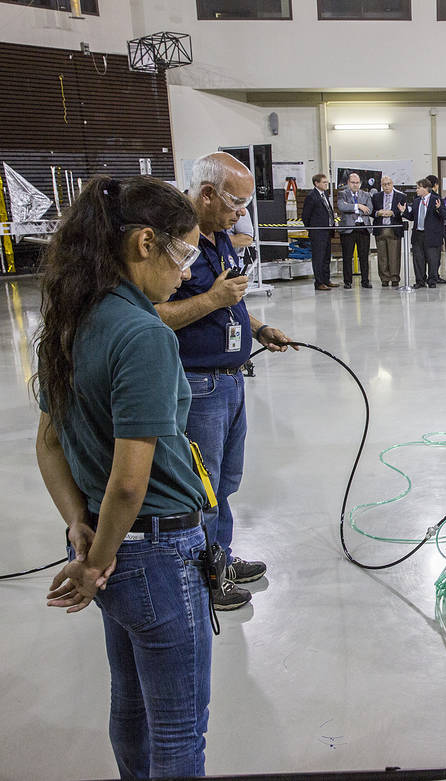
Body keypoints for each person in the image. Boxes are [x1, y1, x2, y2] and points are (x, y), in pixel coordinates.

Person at [35, 175, 212, 776]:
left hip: (107, 544)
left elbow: (48, 444)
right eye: (183, 254)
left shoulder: (69, 318)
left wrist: (79, 527)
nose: (186, 273)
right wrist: (95, 562)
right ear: (144, 243)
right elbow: (130, 481)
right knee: (180, 730)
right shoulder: (143, 334)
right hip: (153, 552)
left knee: (131, 710)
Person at [155, 151, 296, 611]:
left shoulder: (218, 238)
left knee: (225, 482)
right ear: (208, 193)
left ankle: (221, 556)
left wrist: (257, 328)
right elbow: (151, 315)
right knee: (203, 486)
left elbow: (228, 299)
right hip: (198, 386)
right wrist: (215, 299)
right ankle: (203, 575)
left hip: (230, 381)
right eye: (236, 203)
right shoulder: (173, 243)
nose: (241, 214)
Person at [402, 178, 446, 288]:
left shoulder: (436, 199)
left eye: (418, 188)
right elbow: (412, 217)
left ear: (426, 188)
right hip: (418, 235)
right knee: (418, 259)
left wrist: (439, 208)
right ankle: (420, 281)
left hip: (432, 235)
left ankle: (432, 280)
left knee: (432, 259)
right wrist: (404, 212)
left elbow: (444, 215)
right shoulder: (417, 201)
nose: (416, 190)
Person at [337, 172, 374, 289]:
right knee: (347, 257)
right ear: (348, 183)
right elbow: (342, 207)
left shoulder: (366, 195)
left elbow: (369, 210)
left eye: (357, 183)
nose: (355, 185)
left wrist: (352, 207)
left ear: (360, 183)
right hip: (348, 229)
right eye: (353, 182)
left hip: (363, 228)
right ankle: (347, 281)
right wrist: (358, 206)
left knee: (364, 257)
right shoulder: (342, 194)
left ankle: (365, 281)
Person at [301, 172, 337, 290]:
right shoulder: (312, 196)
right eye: (324, 182)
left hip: (327, 231)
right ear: (316, 183)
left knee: (326, 257)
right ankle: (319, 282)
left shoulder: (324, 194)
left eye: (327, 182)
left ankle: (326, 279)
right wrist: (312, 230)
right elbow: (306, 216)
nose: (326, 184)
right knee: (319, 258)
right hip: (318, 233)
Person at [372, 175, 406, 287]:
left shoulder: (401, 196)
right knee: (382, 256)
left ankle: (395, 277)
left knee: (394, 255)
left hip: (394, 229)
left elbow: (403, 211)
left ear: (392, 184)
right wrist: (378, 213)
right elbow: (372, 211)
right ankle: (384, 278)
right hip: (380, 229)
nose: (386, 186)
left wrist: (393, 212)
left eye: (388, 184)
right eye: (384, 184)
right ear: (381, 186)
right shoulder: (376, 196)